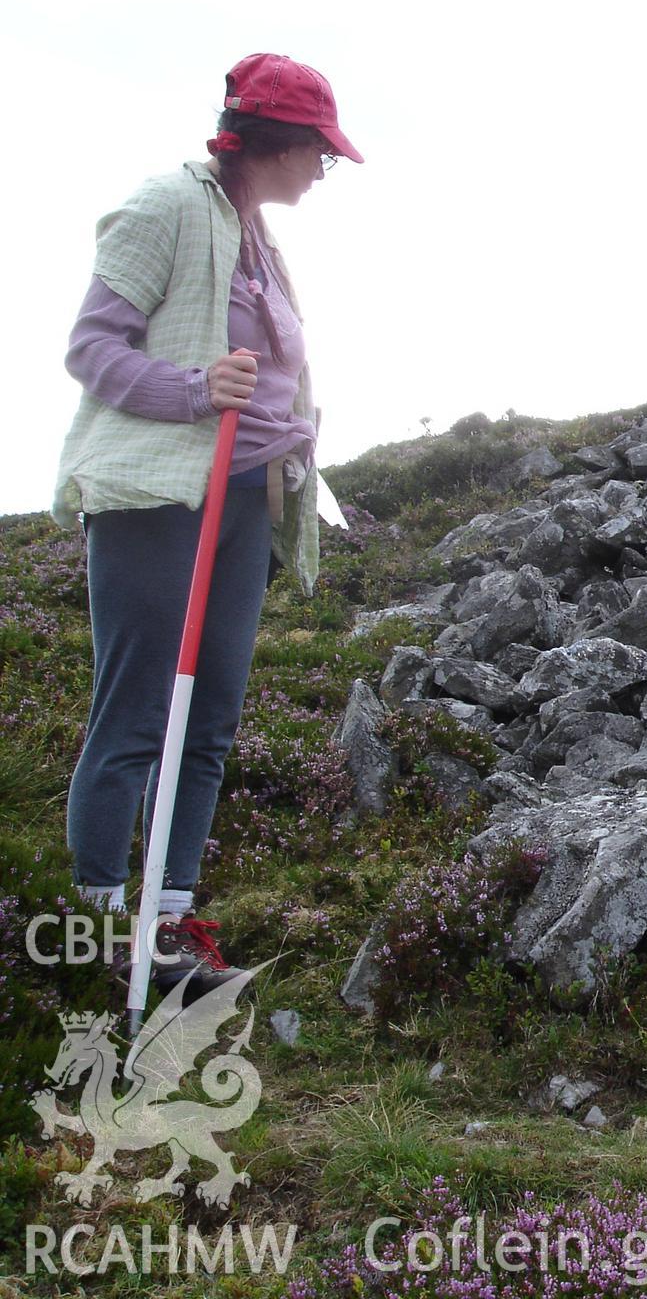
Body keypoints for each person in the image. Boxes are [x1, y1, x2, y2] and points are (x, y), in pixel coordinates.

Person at [52, 53, 361, 995]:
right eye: (322, 151)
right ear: (279, 139)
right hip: (163, 496)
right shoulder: (168, 207)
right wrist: (192, 391)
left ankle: (170, 915)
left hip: (250, 495)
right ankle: (103, 932)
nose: (325, 168)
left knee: (211, 717)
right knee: (139, 712)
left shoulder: (255, 232)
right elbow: (91, 348)